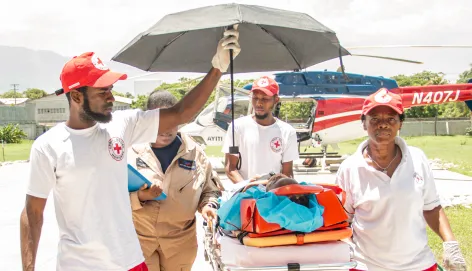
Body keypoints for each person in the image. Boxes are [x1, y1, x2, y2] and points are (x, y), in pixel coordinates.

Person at [19, 27, 240, 271]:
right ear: (76, 96)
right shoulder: (48, 147)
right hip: (78, 265)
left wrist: (217, 67)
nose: (111, 97)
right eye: (102, 91)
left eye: (111, 89)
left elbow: (181, 113)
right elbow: (32, 213)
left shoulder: (121, 124)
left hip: (129, 261)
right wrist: (28, 267)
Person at [335, 88, 467, 271]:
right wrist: (346, 250)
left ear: (400, 124)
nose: (383, 125)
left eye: (391, 119)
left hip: (419, 264)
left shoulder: (417, 158)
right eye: (374, 119)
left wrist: (450, 244)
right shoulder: (349, 167)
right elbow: (342, 220)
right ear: (364, 124)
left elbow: (432, 207)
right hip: (366, 266)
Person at [127, 90, 223, 271]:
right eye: (160, 121)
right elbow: (112, 196)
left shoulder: (195, 153)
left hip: (180, 244)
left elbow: (210, 190)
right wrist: (140, 196)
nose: (167, 128)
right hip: (140, 241)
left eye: (173, 120)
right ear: (148, 120)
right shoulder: (129, 150)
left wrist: (208, 206)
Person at [222, 76, 299, 185]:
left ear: (276, 100)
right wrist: (247, 187)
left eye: (265, 99)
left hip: (272, 195)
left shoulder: (288, 132)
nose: (259, 103)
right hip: (244, 195)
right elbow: (230, 168)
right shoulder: (237, 127)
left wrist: (272, 188)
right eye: (255, 98)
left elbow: (287, 173)